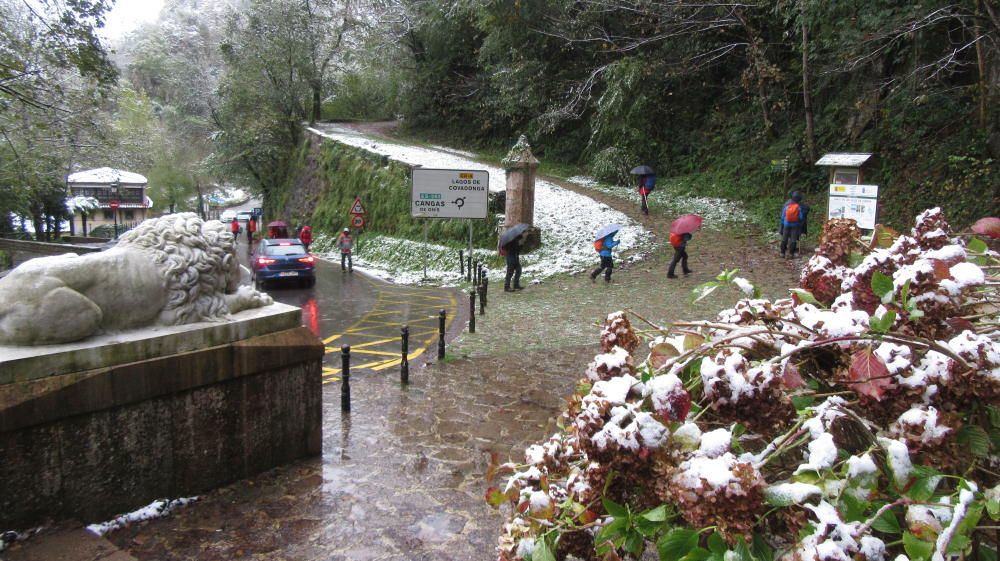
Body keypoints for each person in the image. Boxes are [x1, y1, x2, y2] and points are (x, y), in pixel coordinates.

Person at [779, 190, 809, 258]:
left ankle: (782, 253)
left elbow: (782, 216)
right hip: (795, 225)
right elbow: (801, 217)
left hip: (786, 224)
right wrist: (799, 222)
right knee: (793, 239)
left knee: (784, 238)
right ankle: (791, 254)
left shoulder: (787, 205)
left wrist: (783, 224)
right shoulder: (800, 206)